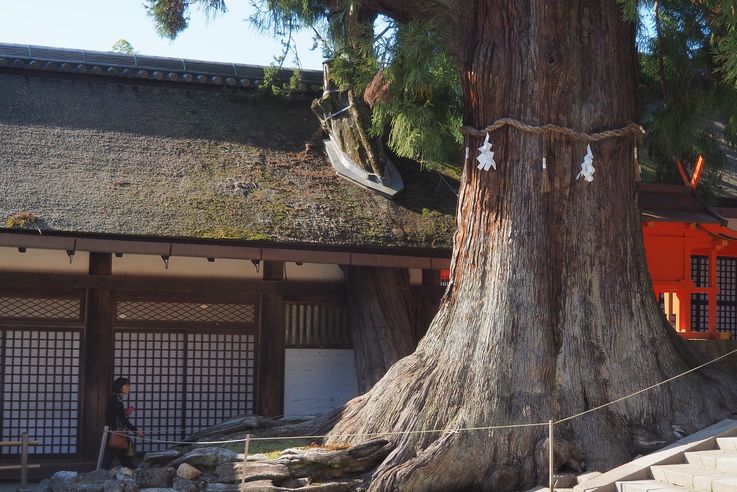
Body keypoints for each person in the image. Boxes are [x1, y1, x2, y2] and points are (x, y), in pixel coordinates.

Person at [102, 377, 144, 469]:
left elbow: (113, 414)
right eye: (127, 385)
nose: (129, 387)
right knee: (112, 456)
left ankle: (132, 471)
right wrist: (136, 431)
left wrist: (124, 412)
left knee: (122, 455)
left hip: (116, 431)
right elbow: (122, 420)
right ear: (120, 387)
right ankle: (102, 474)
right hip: (115, 432)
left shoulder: (116, 399)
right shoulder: (117, 401)